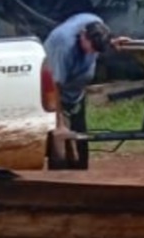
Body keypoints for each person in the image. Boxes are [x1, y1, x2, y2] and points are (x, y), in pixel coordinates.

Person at [42, 12, 128, 165]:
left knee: (81, 148)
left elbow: (101, 39)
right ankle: (59, 182)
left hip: (77, 94)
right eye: (91, 49)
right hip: (58, 96)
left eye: (96, 51)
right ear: (83, 35)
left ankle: (81, 171)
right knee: (61, 152)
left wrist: (113, 41)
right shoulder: (63, 45)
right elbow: (55, 84)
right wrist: (60, 123)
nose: (92, 53)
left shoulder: (96, 24)